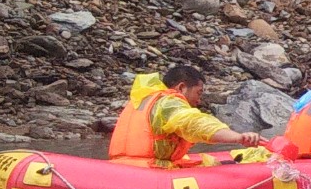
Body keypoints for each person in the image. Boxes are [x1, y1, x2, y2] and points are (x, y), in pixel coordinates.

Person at [108, 63, 266, 168]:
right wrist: (238, 137)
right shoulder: (169, 104)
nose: (199, 99)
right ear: (182, 87)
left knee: (217, 163)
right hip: (150, 170)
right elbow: (197, 125)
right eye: (198, 92)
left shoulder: (144, 99)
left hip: (123, 167)